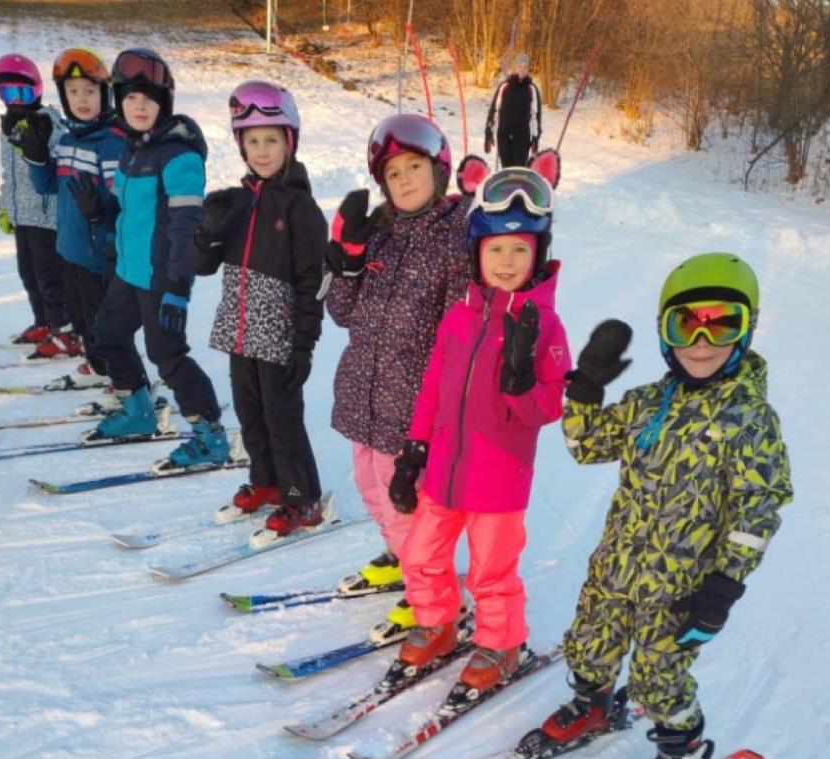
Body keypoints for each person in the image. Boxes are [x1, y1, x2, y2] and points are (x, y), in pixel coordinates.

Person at [540, 252, 792, 759]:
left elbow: (759, 507)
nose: (701, 341)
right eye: (686, 324)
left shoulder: (751, 418)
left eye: (721, 322)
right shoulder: (650, 400)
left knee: (660, 679)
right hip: (616, 566)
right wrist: (584, 389)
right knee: (586, 647)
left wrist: (723, 588)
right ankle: (593, 703)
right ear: (665, 333)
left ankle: (683, 753)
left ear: (745, 330)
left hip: (680, 588)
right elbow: (586, 446)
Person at [388, 167, 568, 692]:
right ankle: (438, 622)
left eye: (518, 250)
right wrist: (414, 448)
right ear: (476, 255)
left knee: (491, 570)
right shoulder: (457, 318)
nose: (506, 263)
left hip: (498, 481)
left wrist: (520, 384)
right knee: (420, 555)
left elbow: (549, 407)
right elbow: (432, 390)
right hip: (443, 469)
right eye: (495, 251)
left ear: (537, 253)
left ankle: (501, 642)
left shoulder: (546, 326)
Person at [325, 113, 471, 644]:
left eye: (414, 167)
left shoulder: (456, 241)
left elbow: (461, 333)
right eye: (393, 174)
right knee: (370, 488)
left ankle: (430, 592)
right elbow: (343, 313)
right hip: (365, 394)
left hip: (413, 406)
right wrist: (347, 259)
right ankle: (404, 558)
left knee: (408, 503)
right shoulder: (382, 235)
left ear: (439, 170)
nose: (404, 180)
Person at [188, 80, 327, 535]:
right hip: (238, 328)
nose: (262, 151)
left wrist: (304, 343)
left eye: (271, 140)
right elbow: (203, 265)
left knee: (282, 418)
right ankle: (266, 481)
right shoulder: (238, 202)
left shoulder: (302, 208)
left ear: (289, 142)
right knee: (250, 414)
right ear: (240, 145)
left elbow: (314, 282)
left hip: (279, 332)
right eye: (252, 142)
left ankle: (301, 497)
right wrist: (207, 231)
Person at [90, 48, 226, 461]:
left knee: (167, 354)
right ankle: (138, 409)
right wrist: (110, 234)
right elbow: (129, 209)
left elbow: (187, 227)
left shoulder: (179, 157)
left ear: (164, 104)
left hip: (161, 278)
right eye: (131, 97)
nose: (139, 106)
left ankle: (211, 435)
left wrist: (177, 288)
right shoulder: (132, 149)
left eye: (149, 99)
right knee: (107, 336)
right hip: (130, 273)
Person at [17, 47, 127, 384]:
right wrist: (37, 158)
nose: (81, 99)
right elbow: (50, 186)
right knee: (79, 318)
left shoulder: (112, 142)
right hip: (69, 248)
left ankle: (118, 376)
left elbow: (123, 202)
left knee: (101, 321)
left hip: (99, 255)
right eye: (73, 92)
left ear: (104, 94)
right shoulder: (66, 139)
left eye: (90, 91)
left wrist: (100, 214)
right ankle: (97, 365)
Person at [0, 53, 67, 355]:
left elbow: (62, 164)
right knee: (28, 272)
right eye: (8, 93)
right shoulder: (8, 128)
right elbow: (8, 172)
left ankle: (62, 329)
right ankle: (43, 322)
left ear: (36, 90)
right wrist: (5, 207)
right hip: (22, 214)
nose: (15, 100)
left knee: (50, 275)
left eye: (22, 93)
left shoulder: (47, 123)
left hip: (45, 214)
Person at [484, 53, 542, 167]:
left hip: (522, 137)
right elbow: (494, 110)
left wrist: (535, 137)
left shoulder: (531, 89)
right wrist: (488, 133)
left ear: (528, 69)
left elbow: (535, 116)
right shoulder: (505, 86)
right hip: (504, 135)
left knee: (519, 169)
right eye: (519, 66)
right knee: (506, 169)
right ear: (515, 67)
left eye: (525, 66)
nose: (522, 69)